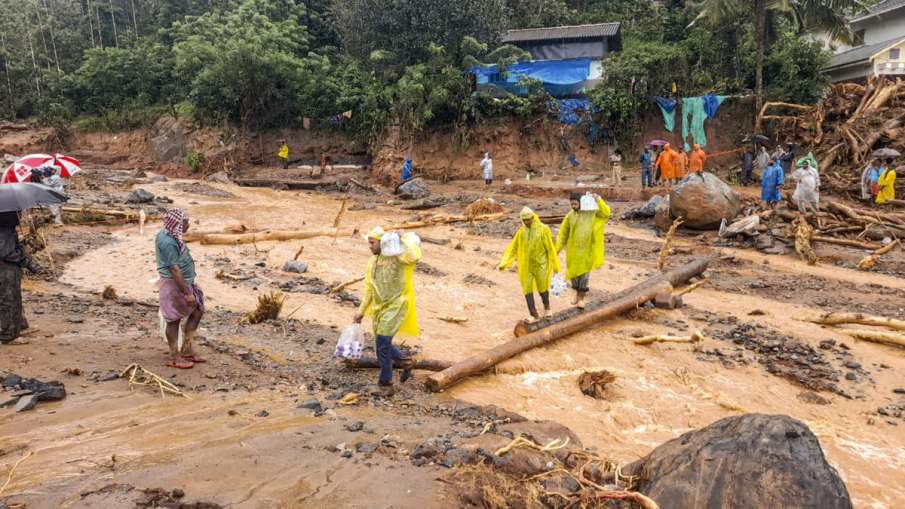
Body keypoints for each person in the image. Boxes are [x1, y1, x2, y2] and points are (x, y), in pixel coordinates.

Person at [353, 227, 420, 393]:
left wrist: (401, 238)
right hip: (379, 307)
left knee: (382, 342)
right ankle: (406, 362)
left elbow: (414, 256)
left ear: (382, 243)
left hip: (397, 304)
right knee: (382, 343)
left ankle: (385, 382)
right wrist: (360, 311)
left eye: (372, 243)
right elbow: (369, 288)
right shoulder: (372, 262)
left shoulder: (398, 258)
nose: (369, 246)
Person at [156, 209, 205, 369]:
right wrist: (186, 292)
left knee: (198, 310)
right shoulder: (168, 242)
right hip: (174, 284)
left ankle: (187, 349)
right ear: (177, 224)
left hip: (185, 282)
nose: (188, 225)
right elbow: (174, 270)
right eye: (185, 222)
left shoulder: (171, 236)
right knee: (173, 319)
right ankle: (175, 356)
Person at [499, 207, 561, 322]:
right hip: (526, 266)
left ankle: (547, 308)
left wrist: (555, 264)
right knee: (527, 289)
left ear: (533, 217)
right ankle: (534, 314)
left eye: (529, 219)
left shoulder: (543, 229)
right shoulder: (521, 232)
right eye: (524, 220)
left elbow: (550, 248)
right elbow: (513, 248)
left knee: (543, 287)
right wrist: (505, 263)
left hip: (540, 264)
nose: (527, 222)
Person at [555, 193, 611, 309]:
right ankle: (576, 294)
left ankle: (581, 299)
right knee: (574, 276)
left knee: (584, 277)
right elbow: (563, 234)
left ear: (581, 203)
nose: (573, 206)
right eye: (572, 204)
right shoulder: (569, 216)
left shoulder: (590, 213)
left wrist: (599, 200)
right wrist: (557, 250)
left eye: (575, 204)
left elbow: (606, 213)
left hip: (587, 251)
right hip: (573, 251)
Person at [1, 212, 38, 344]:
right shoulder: (5, 229)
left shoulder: (7, 228)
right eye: (18, 211)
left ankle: (17, 327)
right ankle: (9, 336)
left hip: (7, 266)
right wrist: (25, 260)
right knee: (9, 300)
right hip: (6, 268)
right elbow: (7, 253)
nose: (20, 214)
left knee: (11, 299)